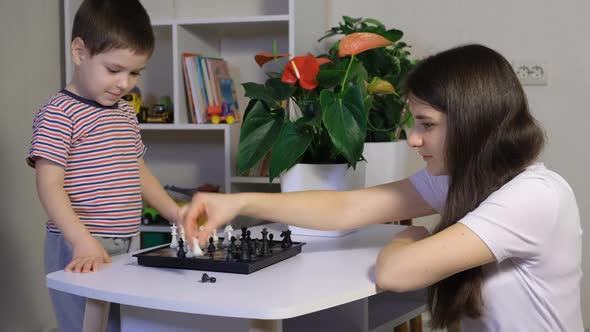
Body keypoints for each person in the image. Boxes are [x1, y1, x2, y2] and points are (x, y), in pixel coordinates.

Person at [181, 44, 583, 331]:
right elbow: (346, 208)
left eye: (427, 124)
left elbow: (395, 272)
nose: (413, 139)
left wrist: (408, 237)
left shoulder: (534, 196)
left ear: (472, 123)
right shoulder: (465, 179)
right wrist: (239, 201)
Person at [27, 0, 181, 331]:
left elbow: (136, 169)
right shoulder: (58, 114)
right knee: (84, 325)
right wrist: (81, 239)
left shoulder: (125, 112)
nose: (125, 83)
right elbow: (49, 183)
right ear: (80, 52)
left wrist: (175, 212)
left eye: (134, 72)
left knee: (122, 324)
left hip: (127, 238)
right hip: (78, 243)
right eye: (114, 70)